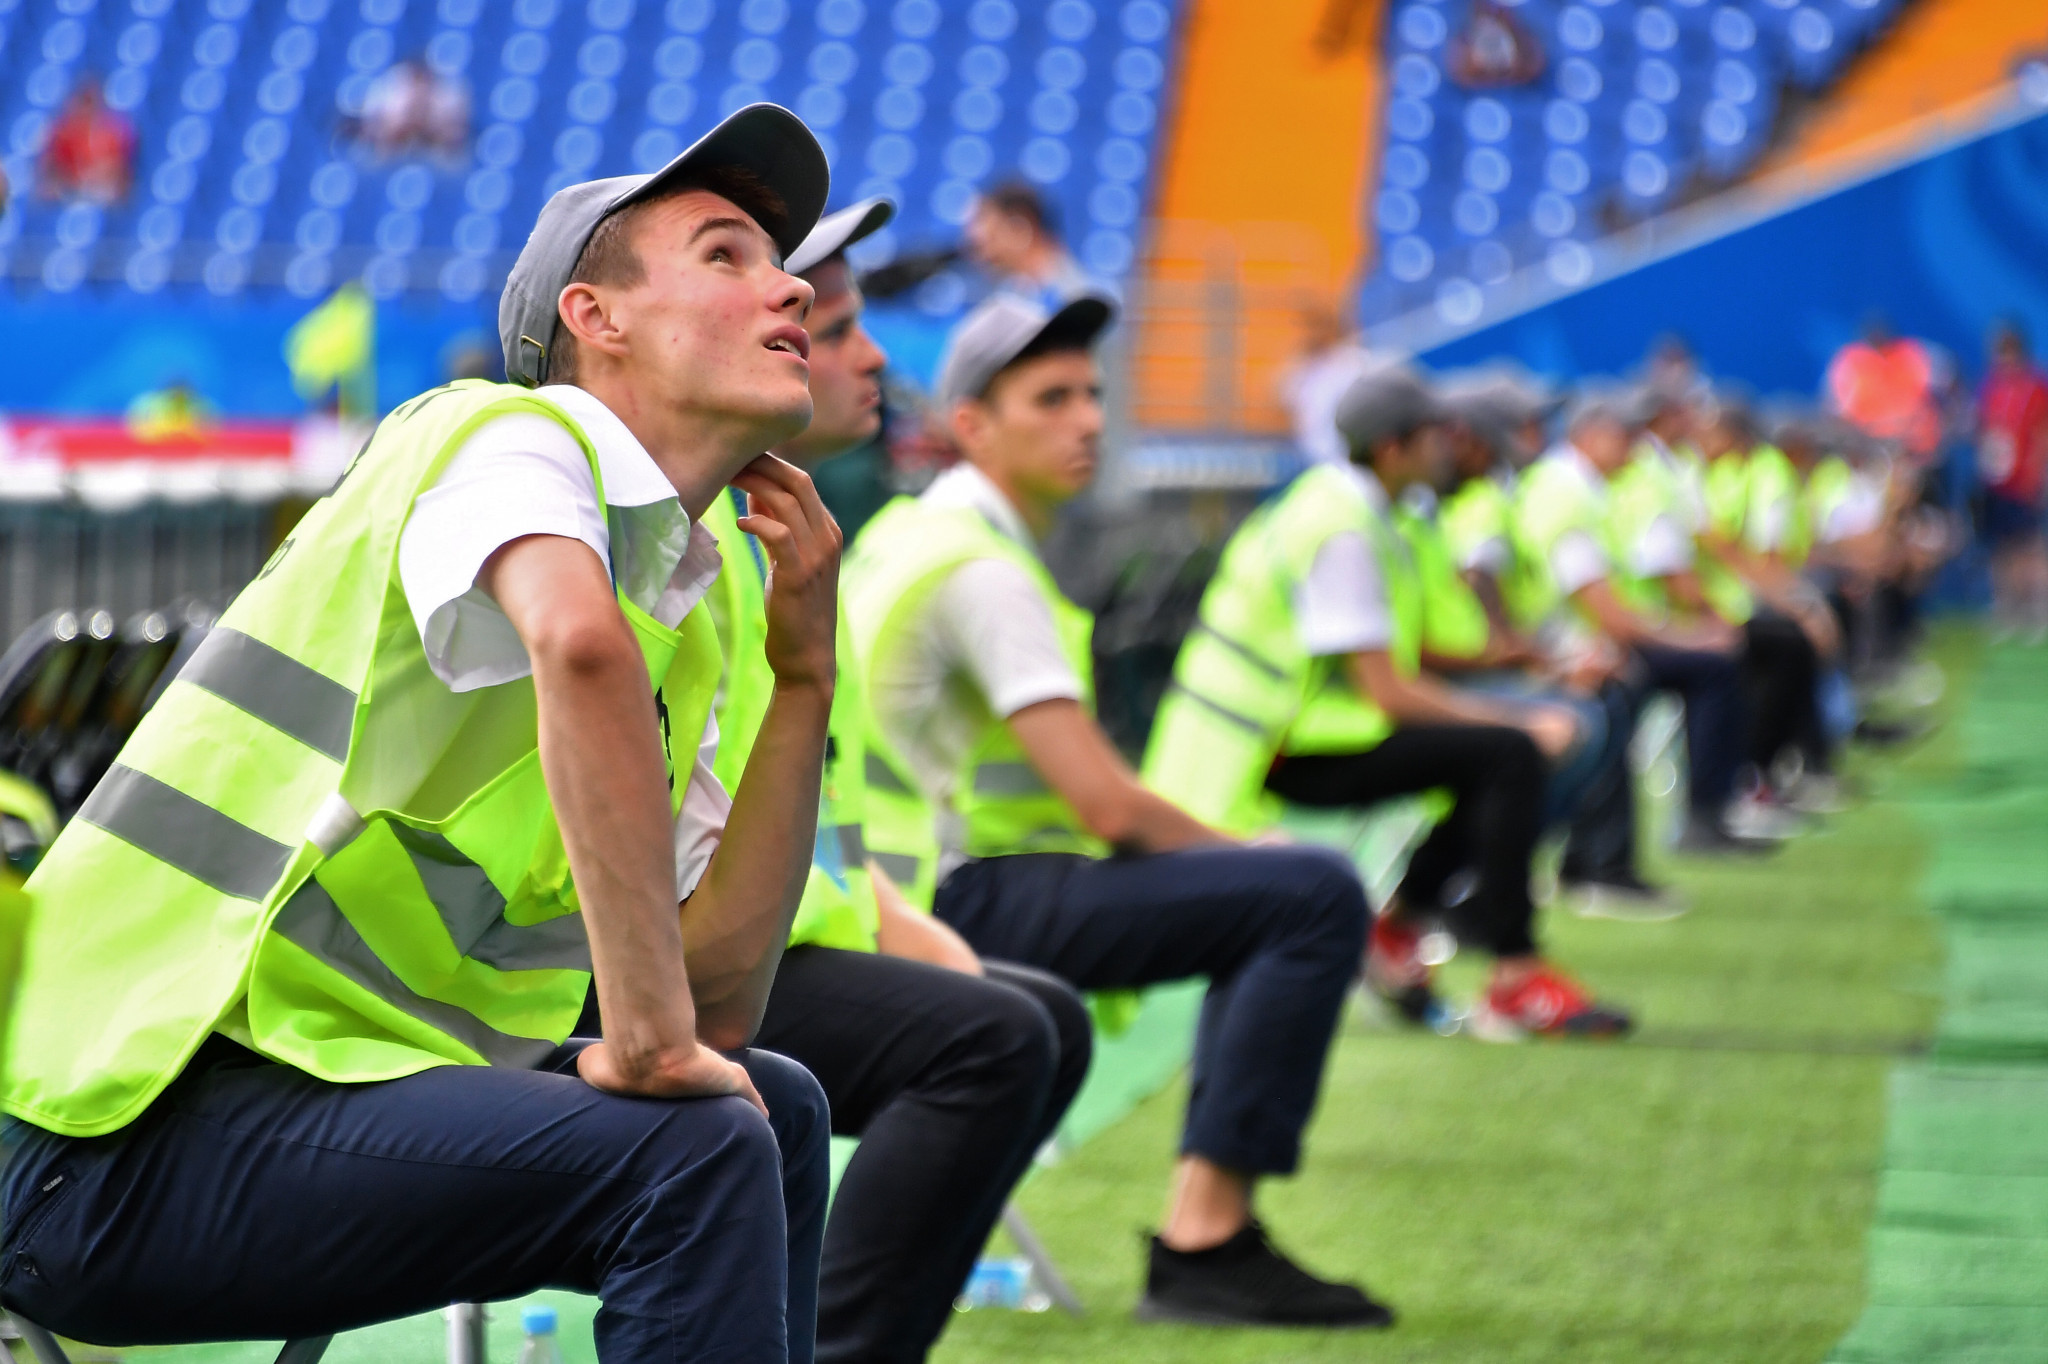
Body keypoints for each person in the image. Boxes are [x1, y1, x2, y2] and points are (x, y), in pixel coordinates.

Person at [0, 106, 838, 1359]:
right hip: (108, 1133)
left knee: (773, 1102)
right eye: (725, 254)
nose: (791, 286)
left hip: (319, 1100)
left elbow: (719, 1011)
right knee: (702, 1141)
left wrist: (805, 674)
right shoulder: (495, 432)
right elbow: (576, 644)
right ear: (592, 320)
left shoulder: (691, 598)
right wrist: (651, 1043)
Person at [845, 294, 1390, 1330]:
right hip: (948, 900)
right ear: (971, 425)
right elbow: (1106, 804)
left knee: (1288, 888)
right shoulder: (983, 570)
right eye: (1050, 399)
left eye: (1091, 394)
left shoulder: (908, 532)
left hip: (897, 886)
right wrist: (1250, 845)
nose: (1088, 418)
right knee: (1308, 891)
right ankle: (1206, 1240)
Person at [688, 197, 1093, 1364]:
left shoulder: (787, 531)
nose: (873, 357)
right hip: (639, 969)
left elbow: (804, 843)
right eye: (836, 325)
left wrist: (884, 916)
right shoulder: (703, 540)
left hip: (782, 931)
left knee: (1033, 1021)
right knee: (1000, 1035)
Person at [1146, 365, 1634, 1035]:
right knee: (1511, 751)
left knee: (1507, 751)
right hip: (1281, 747)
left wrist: (1528, 688)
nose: (1451, 445)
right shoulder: (1344, 526)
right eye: (1437, 434)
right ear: (1392, 448)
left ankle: (1407, 929)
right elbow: (1390, 690)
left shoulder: (1363, 509)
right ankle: (1508, 975)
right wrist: (1520, 716)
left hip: (1306, 732)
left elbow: (1407, 657)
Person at [1513, 387, 1775, 854]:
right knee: (1637, 687)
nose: (1637, 445)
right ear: (1590, 436)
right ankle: (1600, 859)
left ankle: (1720, 804)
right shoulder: (1567, 495)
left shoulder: (1583, 488)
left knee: (1708, 663)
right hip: (1567, 647)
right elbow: (1615, 612)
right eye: (1626, 434)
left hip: (1574, 643)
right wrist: (1695, 637)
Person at [1976, 321, 2048, 642]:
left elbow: (2041, 432)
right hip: (1996, 479)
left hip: (2025, 478)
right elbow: (1984, 428)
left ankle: (2036, 606)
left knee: (2028, 544)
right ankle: (2006, 607)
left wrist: (2036, 472)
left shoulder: (2034, 386)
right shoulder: (1991, 387)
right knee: (2001, 545)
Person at [962, 180, 1102, 308]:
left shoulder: (1074, 296)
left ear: (1019, 228)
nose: (982, 258)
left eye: (991, 240)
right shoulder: (1011, 291)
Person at [1826, 314, 1942, 467]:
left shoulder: (1912, 353)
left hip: (1916, 449)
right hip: (1871, 451)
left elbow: (1948, 383)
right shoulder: (1851, 362)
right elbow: (1835, 411)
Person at [38, 77, 133, 204]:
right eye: (84, 103)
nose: (87, 110)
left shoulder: (113, 133)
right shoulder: (61, 133)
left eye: (91, 104)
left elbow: (120, 174)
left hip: (100, 196)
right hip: (68, 193)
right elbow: (50, 170)